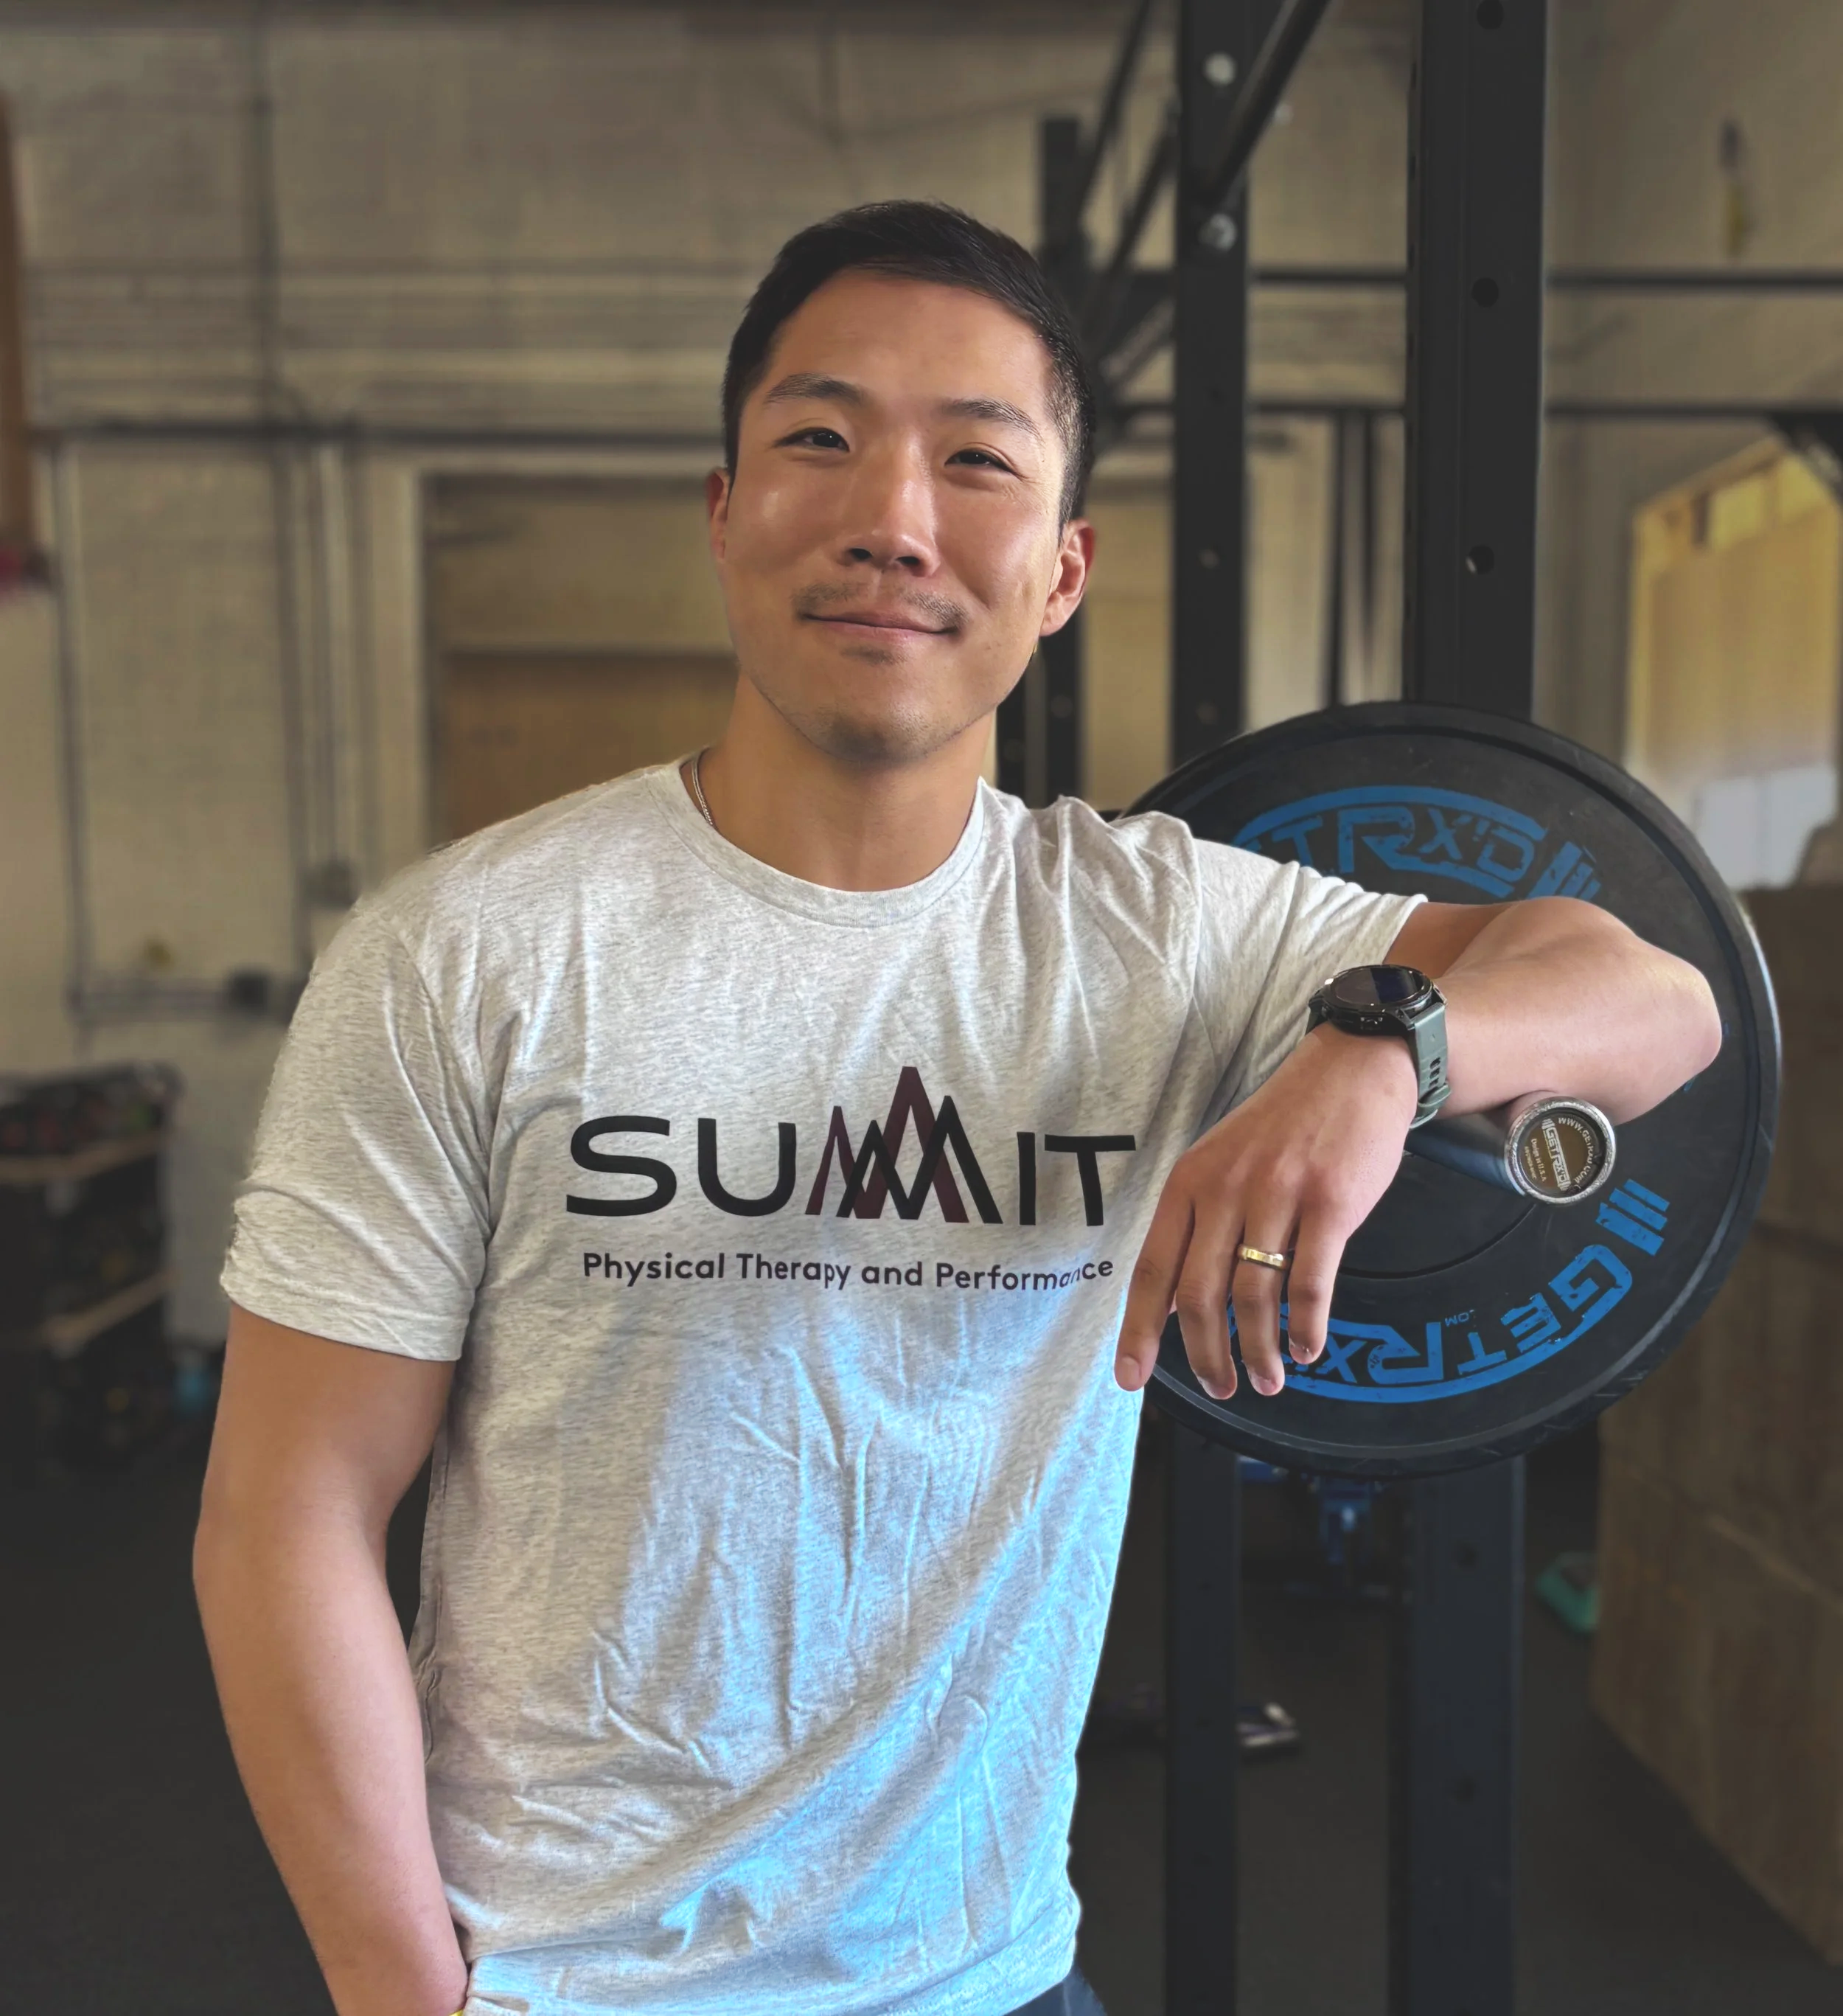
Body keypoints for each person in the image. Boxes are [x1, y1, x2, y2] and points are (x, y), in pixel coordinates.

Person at [194, 201, 1721, 2016]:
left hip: (990, 1974)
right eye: (819, 438)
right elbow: (289, 1508)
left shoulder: (1157, 931)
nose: (892, 520)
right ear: (723, 510)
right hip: (560, 1980)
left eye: (975, 459)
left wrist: (1385, 1047)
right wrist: (398, 1991)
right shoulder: (466, 953)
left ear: (1061, 569)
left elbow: (1657, 998)